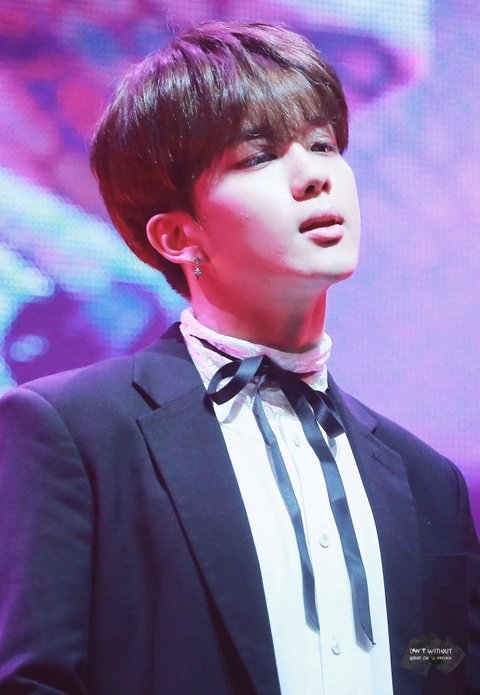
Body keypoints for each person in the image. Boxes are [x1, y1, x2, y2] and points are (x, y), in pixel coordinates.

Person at [0, 21, 478, 695]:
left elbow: (443, 666)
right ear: (177, 235)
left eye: (323, 145)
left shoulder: (427, 479)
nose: (314, 175)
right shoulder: (73, 433)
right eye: (258, 156)